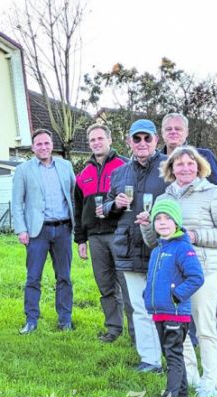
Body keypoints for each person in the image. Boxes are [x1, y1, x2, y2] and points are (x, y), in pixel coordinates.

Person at [139, 146, 217, 397]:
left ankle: (209, 384)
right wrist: (147, 226)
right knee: (181, 330)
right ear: (170, 169)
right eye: (179, 164)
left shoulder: (212, 193)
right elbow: (154, 240)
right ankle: (189, 376)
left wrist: (196, 235)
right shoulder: (165, 196)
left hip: (203, 271)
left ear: (198, 166)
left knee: (204, 327)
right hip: (172, 276)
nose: (185, 168)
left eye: (190, 163)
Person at [160, 112, 217, 360]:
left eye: (178, 129)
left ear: (187, 132)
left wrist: (197, 232)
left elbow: (215, 198)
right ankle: (187, 353)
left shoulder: (203, 158)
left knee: (212, 300)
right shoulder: (161, 160)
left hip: (202, 252)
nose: (173, 133)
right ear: (163, 133)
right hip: (174, 252)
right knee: (183, 304)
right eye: (168, 129)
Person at [104, 119, 167, 373]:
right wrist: (114, 205)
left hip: (160, 246)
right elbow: (104, 209)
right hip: (129, 246)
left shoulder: (168, 167)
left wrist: (159, 218)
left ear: (156, 141)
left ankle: (175, 357)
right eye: (136, 138)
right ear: (129, 141)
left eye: (147, 138)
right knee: (139, 307)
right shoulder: (119, 172)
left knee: (164, 305)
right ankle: (150, 360)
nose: (142, 143)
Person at [11, 129, 76, 334]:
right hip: (37, 232)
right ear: (33, 147)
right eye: (39, 144)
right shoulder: (24, 170)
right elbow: (17, 202)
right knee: (33, 277)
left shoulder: (65, 166)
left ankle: (65, 320)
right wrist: (21, 229)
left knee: (64, 277)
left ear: (52, 145)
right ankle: (31, 320)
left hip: (63, 229)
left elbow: (75, 196)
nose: (43, 147)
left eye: (47, 143)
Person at [141, 199, 203, 397]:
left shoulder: (183, 248)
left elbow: (196, 277)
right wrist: (146, 294)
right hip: (159, 311)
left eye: (168, 218)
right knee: (171, 354)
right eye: (158, 218)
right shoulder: (158, 249)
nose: (162, 222)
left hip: (176, 313)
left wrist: (177, 295)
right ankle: (182, 396)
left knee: (173, 354)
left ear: (176, 222)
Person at [73, 124, 131, 343]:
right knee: (105, 286)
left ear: (109, 140)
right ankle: (114, 329)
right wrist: (80, 239)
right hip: (95, 238)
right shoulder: (83, 173)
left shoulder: (125, 166)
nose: (96, 143)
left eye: (100, 138)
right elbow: (78, 209)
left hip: (120, 234)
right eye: (92, 140)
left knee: (127, 285)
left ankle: (137, 332)